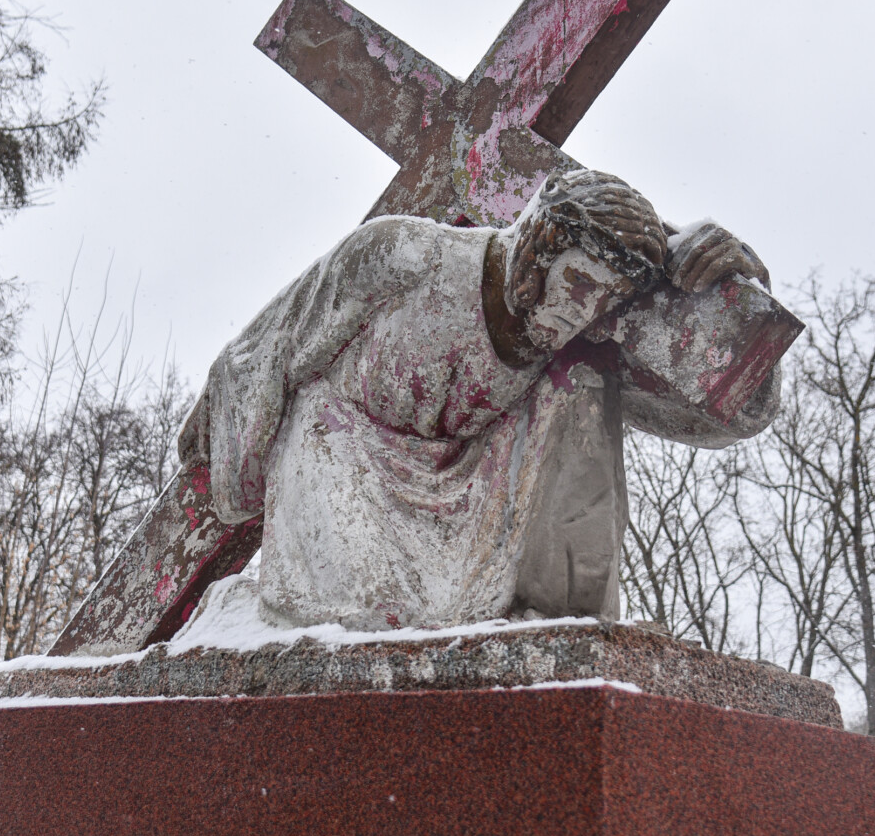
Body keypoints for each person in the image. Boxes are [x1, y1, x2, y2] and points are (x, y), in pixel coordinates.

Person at [179, 168, 779, 631]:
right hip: (345, 452)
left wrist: (738, 299)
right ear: (538, 252)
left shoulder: (582, 335)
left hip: (476, 496)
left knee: (583, 384)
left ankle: (560, 623)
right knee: (364, 623)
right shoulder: (401, 255)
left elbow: (719, 418)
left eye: (604, 299)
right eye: (577, 282)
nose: (582, 310)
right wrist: (234, 454)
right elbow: (271, 345)